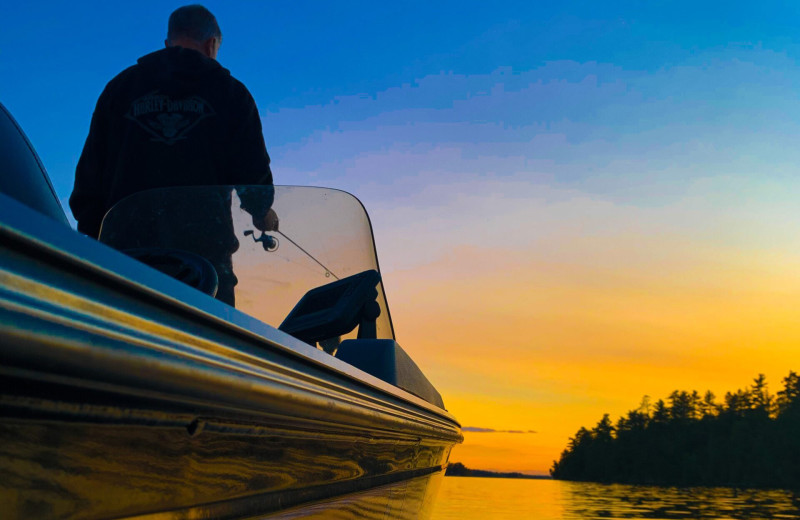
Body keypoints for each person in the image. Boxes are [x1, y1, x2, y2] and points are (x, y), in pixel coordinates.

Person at [70, 4, 277, 305]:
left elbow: (87, 186)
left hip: (124, 268)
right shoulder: (231, 93)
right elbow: (253, 176)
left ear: (168, 43)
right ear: (212, 44)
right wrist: (262, 213)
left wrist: (102, 246)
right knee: (207, 348)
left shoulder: (119, 90)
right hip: (206, 273)